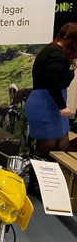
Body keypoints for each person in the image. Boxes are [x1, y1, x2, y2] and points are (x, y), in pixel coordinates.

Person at [25, 21, 77, 158]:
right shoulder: (56, 54)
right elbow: (52, 81)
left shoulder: (55, 51)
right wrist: (62, 106)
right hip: (46, 104)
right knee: (47, 146)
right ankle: (32, 169)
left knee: (61, 144)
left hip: (53, 104)